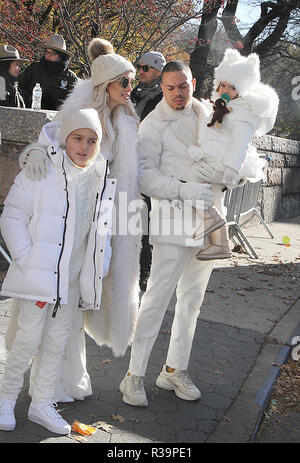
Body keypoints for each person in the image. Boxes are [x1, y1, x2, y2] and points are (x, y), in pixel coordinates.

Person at [15, 38, 141, 403]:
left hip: (104, 220)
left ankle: (69, 380)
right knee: (61, 297)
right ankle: (51, 385)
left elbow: (133, 172)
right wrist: (37, 150)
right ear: (106, 86)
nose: (130, 89)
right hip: (72, 215)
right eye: (124, 83)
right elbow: (52, 135)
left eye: (132, 81)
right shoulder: (84, 109)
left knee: (77, 298)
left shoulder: (126, 121)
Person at [0, 108, 115, 434]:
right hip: (39, 277)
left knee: (56, 342)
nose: (84, 146)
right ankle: (6, 398)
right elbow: (12, 217)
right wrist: (26, 257)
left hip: (73, 282)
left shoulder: (101, 178)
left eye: (92, 140)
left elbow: (103, 233)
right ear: (65, 139)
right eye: (78, 138)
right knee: (27, 339)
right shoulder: (42, 170)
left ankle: (42, 403)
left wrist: (99, 267)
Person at [119, 60, 220, 407]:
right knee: (157, 300)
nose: (177, 94)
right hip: (173, 220)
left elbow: (230, 154)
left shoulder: (209, 113)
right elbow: (143, 176)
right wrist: (181, 189)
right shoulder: (153, 123)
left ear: (192, 82)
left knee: (191, 302)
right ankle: (133, 376)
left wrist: (239, 171)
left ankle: (174, 369)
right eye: (170, 88)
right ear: (162, 87)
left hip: (209, 220)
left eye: (183, 87)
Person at [189, 49, 279, 260]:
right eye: (223, 85)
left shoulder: (243, 113)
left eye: (232, 87)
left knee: (188, 176)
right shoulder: (221, 106)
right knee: (213, 196)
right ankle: (220, 243)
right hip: (216, 157)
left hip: (224, 162)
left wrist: (232, 167)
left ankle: (211, 224)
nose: (225, 90)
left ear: (243, 89)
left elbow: (240, 143)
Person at [130, 51, 166, 291]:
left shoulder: (165, 98)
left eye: (145, 68)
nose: (140, 71)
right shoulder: (131, 94)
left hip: (151, 167)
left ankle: (145, 273)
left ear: (157, 72)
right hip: (127, 164)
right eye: (138, 67)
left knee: (145, 226)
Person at [19, 34, 77, 110]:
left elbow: (74, 104)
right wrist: (29, 98)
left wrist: (56, 104)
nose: (48, 55)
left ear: (61, 56)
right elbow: (18, 86)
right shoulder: (34, 68)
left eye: (52, 53)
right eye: (47, 52)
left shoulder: (70, 78)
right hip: (31, 113)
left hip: (56, 118)